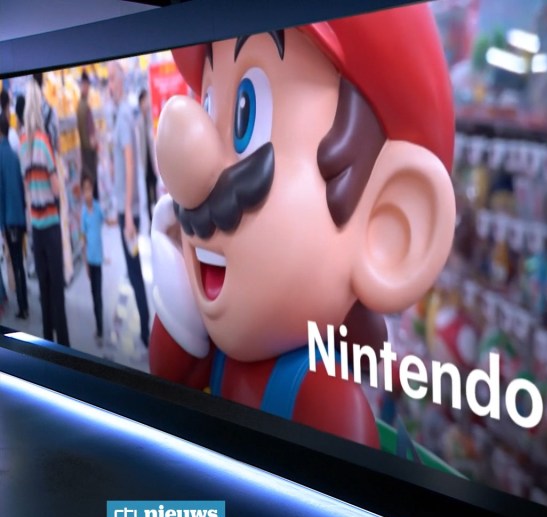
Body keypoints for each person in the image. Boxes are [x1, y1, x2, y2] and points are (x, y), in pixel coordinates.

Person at [148, 5, 455, 447]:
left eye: (246, 117)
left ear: (387, 222)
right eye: (208, 105)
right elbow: (167, 380)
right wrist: (178, 301)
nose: (192, 178)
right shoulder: (217, 347)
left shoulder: (324, 400)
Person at [19, 80, 69, 346]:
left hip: (36, 229)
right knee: (57, 291)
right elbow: (55, 187)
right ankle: (66, 351)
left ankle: (48, 345)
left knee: (44, 289)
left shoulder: (23, 145)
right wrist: (60, 181)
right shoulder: (42, 142)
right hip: (50, 227)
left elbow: (27, 187)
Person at [108, 60, 150, 349]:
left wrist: (127, 216)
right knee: (133, 269)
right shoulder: (123, 114)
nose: (109, 85)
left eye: (112, 79)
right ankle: (146, 327)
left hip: (128, 210)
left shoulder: (123, 116)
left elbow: (130, 163)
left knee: (134, 271)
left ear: (121, 81)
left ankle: (146, 330)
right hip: (127, 207)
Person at [0, 109, 28, 318]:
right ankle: (24, 302)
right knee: (20, 261)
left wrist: (1, 224)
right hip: (19, 216)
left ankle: (22, 306)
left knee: (15, 261)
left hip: (8, 219)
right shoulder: (14, 155)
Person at [80, 173, 105, 345]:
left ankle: (100, 328)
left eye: (89, 189)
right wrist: (85, 264)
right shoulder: (83, 212)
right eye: (85, 190)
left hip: (99, 259)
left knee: (99, 294)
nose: (88, 193)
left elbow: (105, 221)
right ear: (83, 192)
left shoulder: (97, 208)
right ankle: (99, 326)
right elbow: (83, 240)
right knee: (94, 294)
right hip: (90, 260)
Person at [137, 88, 158, 221]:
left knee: (155, 189)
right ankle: (151, 219)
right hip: (145, 163)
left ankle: (156, 215)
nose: (147, 103)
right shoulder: (139, 123)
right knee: (147, 190)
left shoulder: (151, 120)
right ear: (140, 103)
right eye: (145, 100)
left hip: (152, 161)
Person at [76, 71, 99, 189]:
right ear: (84, 86)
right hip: (89, 151)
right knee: (92, 181)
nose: (88, 88)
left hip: (83, 151)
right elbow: (91, 137)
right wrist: (95, 145)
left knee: (88, 182)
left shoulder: (79, 105)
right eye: (87, 85)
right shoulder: (85, 106)